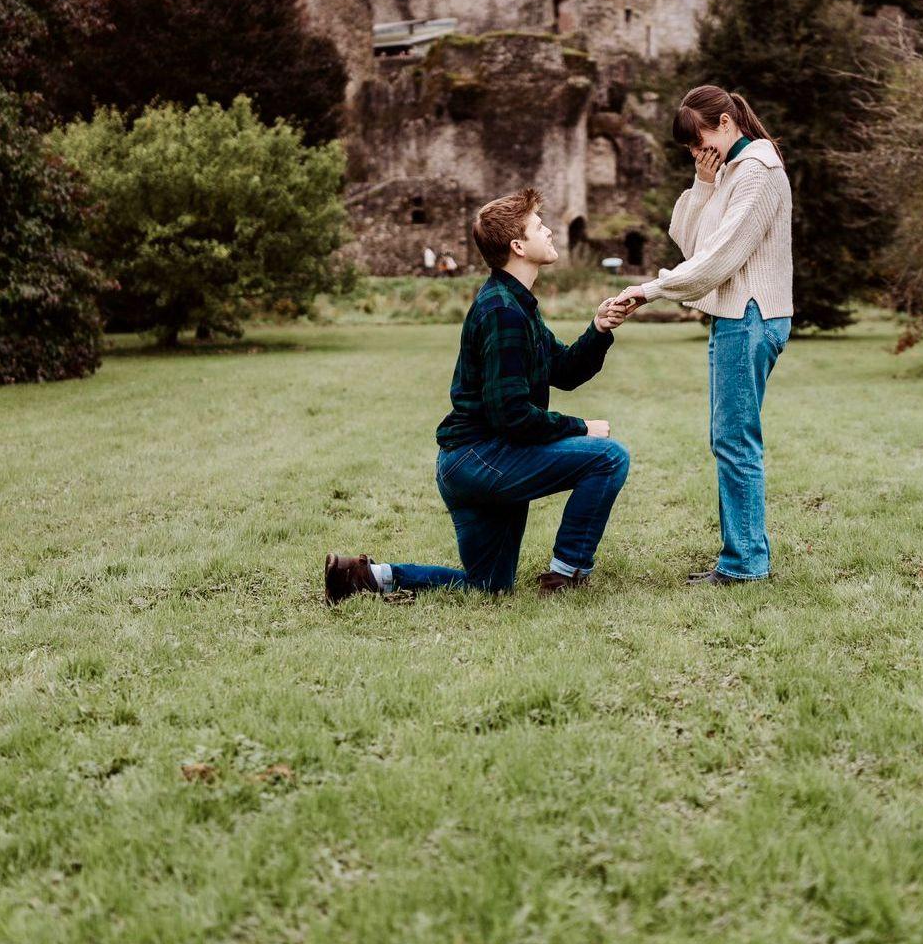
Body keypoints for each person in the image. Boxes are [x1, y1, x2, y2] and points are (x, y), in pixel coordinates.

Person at [325, 188, 637, 602]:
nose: (549, 231)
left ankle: (366, 576)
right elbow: (512, 415)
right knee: (609, 457)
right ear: (518, 246)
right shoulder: (502, 311)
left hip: (473, 462)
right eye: (538, 226)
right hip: (480, 459)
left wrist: (599, 329)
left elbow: (564, 369)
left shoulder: (516, 304)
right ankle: (566, 575)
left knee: (489, 586)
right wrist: (583, 427)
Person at [610, 85, 794, 587]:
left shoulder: (758, 171)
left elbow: (715, 262)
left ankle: (745, 564)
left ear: (727, 125)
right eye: (689, 148)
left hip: (749, 317)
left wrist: (649, 290)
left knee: (735, 441)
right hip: (738, 316)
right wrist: (703, 185)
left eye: (698, 141)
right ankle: (742, 556)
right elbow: (692, 243)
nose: (696, 152)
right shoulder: (731, 173)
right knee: (729, 438)